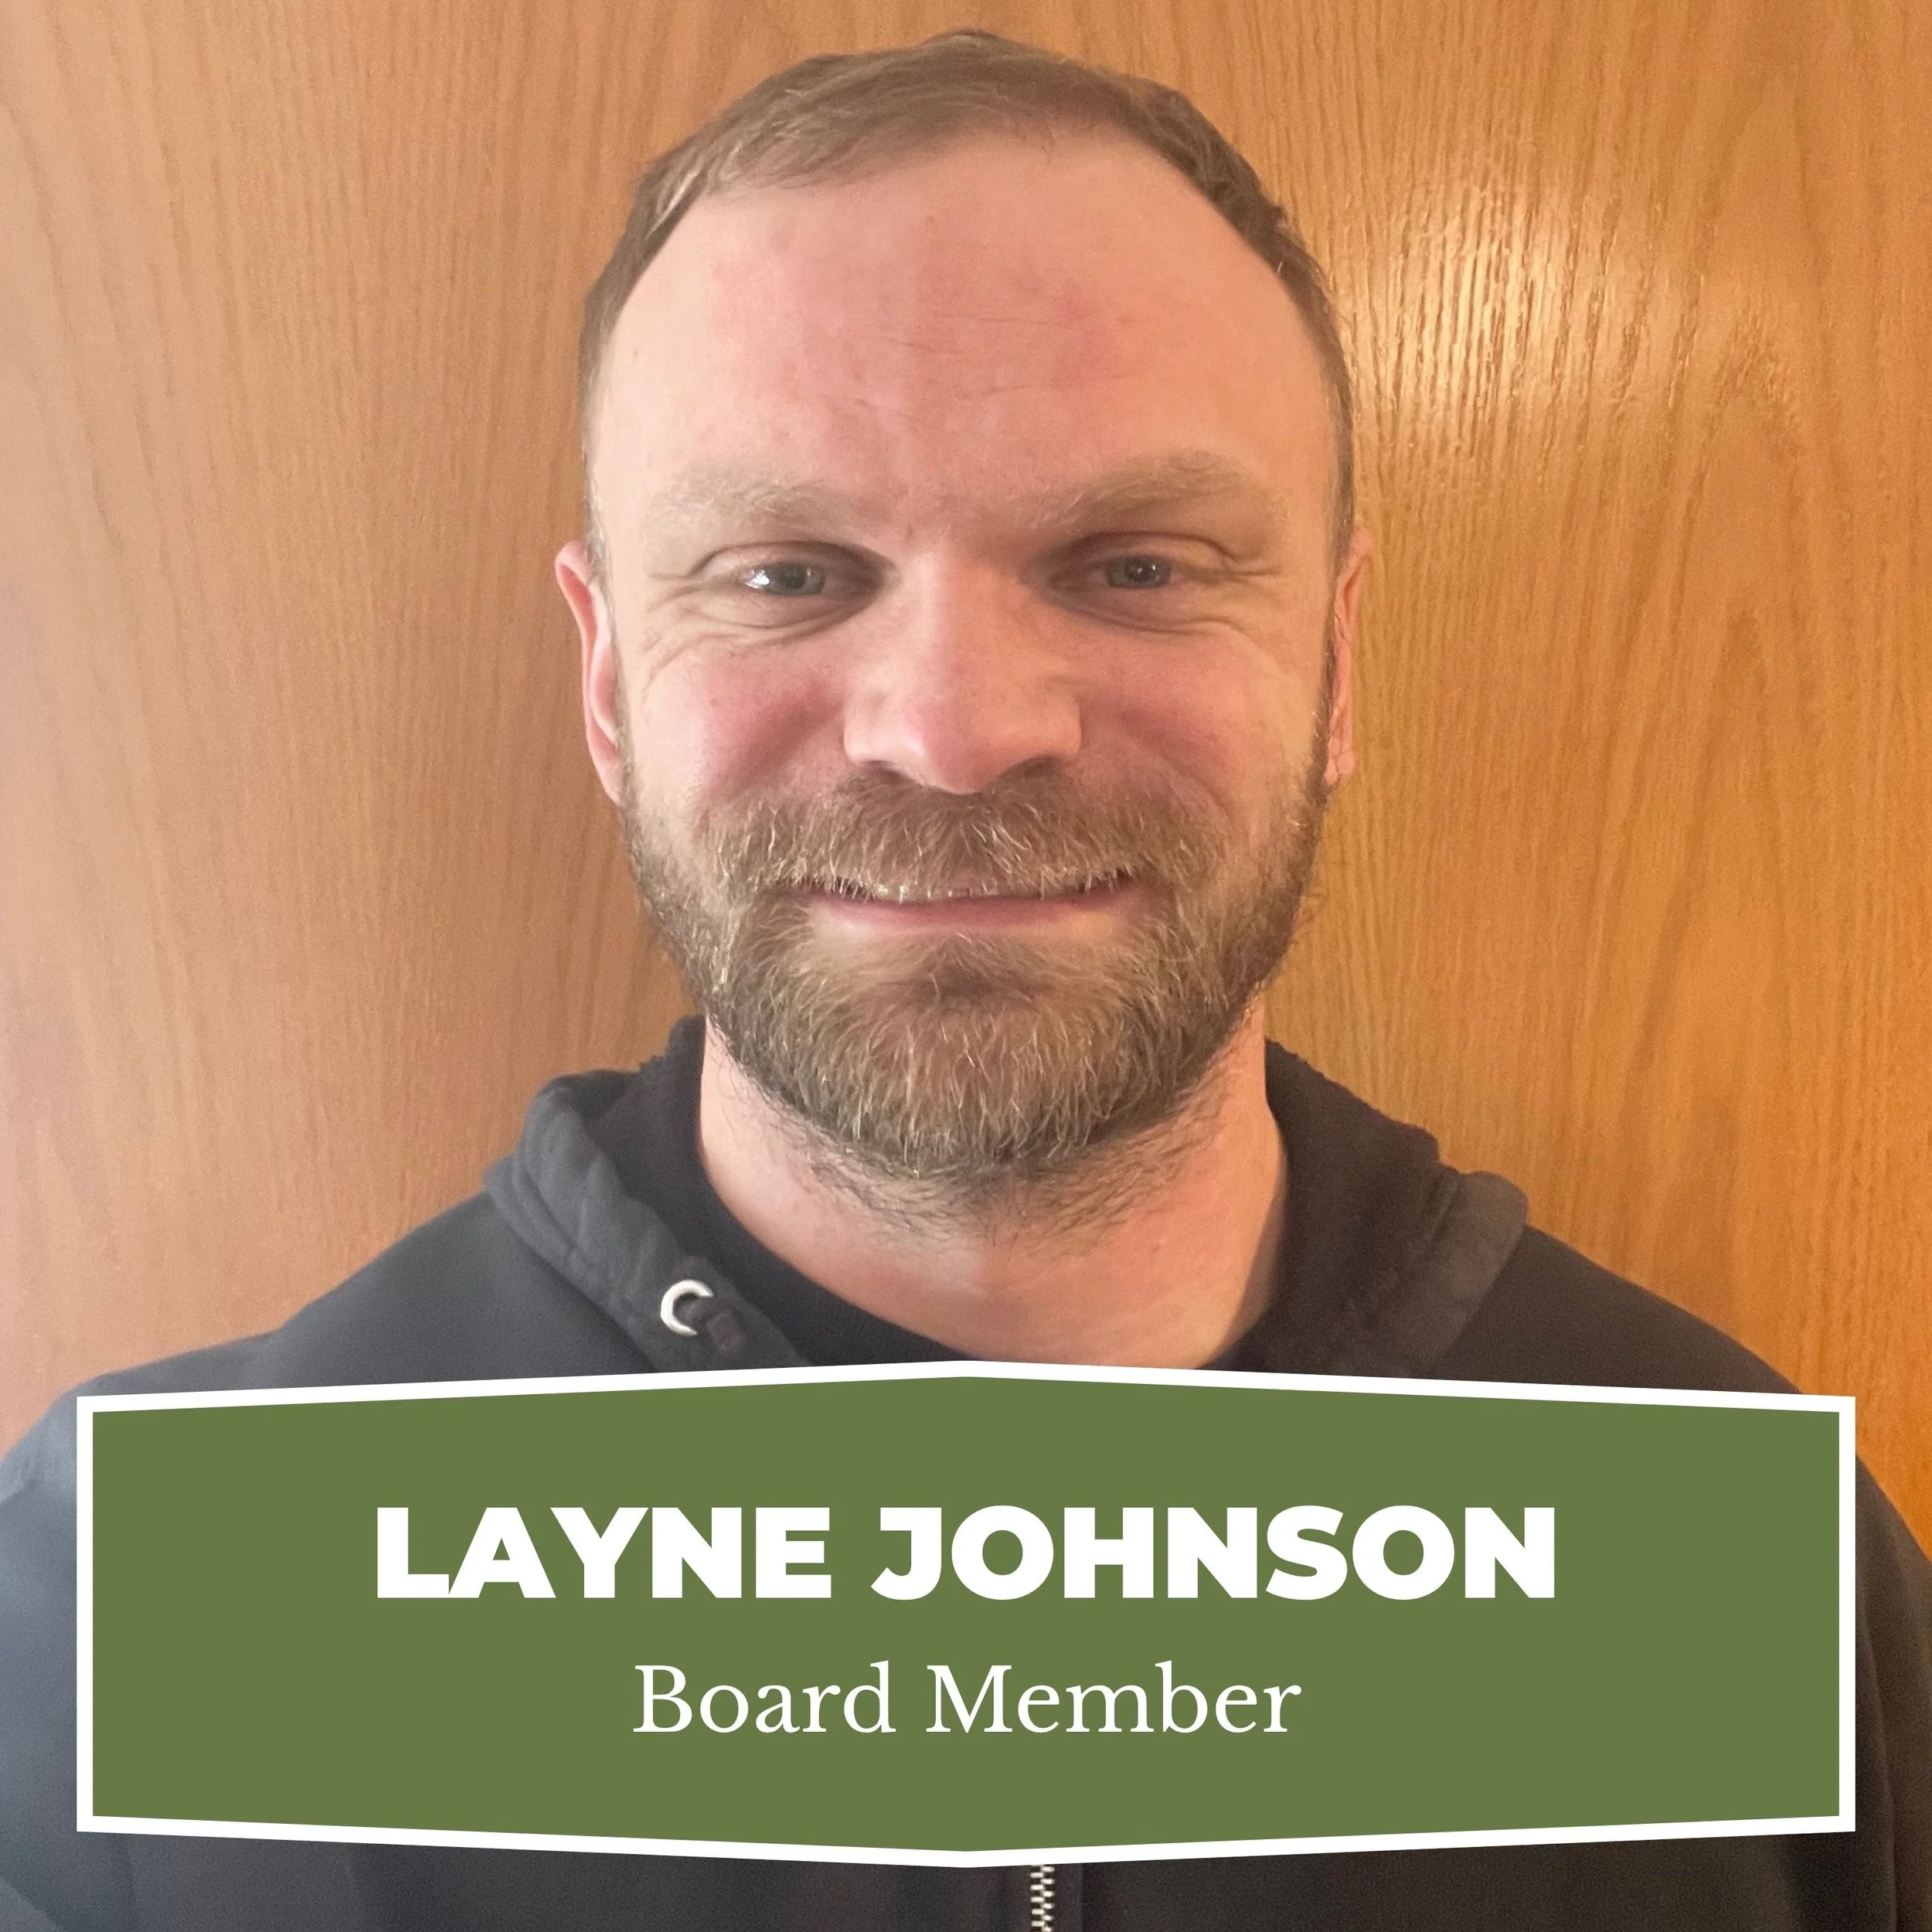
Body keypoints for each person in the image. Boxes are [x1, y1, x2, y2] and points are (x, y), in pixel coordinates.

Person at [2, 29, 1927, 1932]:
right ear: (606, 676)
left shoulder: (1746, 1591)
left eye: (1136, 565)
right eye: (781, 573)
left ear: (1334, 665)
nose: (951, 730)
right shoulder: (138, 1597)